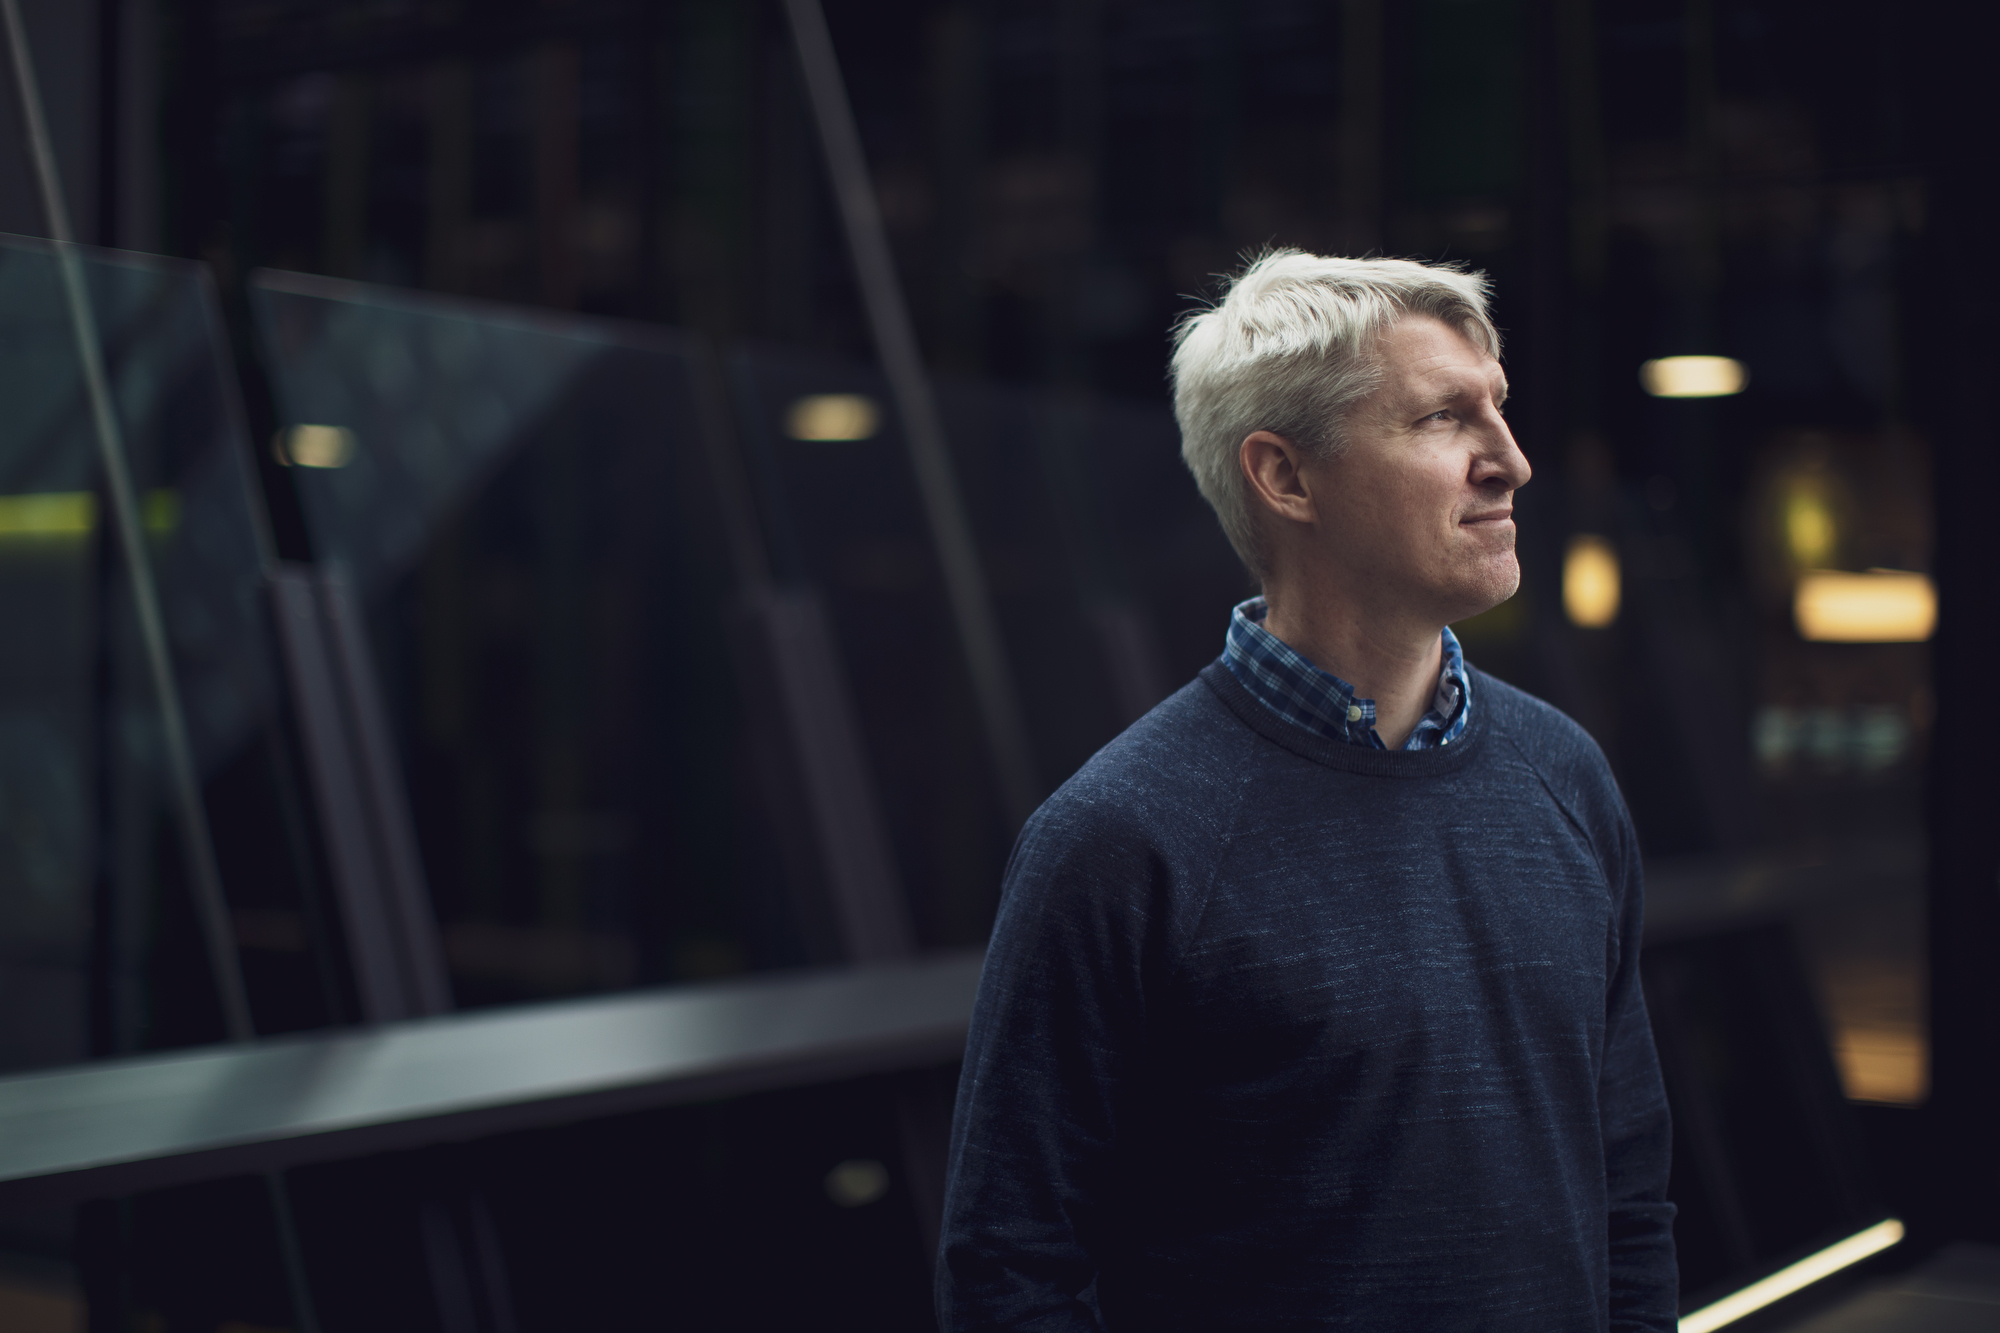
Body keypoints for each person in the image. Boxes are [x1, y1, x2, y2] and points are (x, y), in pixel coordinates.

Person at [935, 250, 1675, 1331]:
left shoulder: (1564, 774)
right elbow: (1008, 1269)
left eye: (1498, 410)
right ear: (1284, 478)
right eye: (1438, 418)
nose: (1509, 461)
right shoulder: (1119, 839)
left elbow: (1627, 1193)